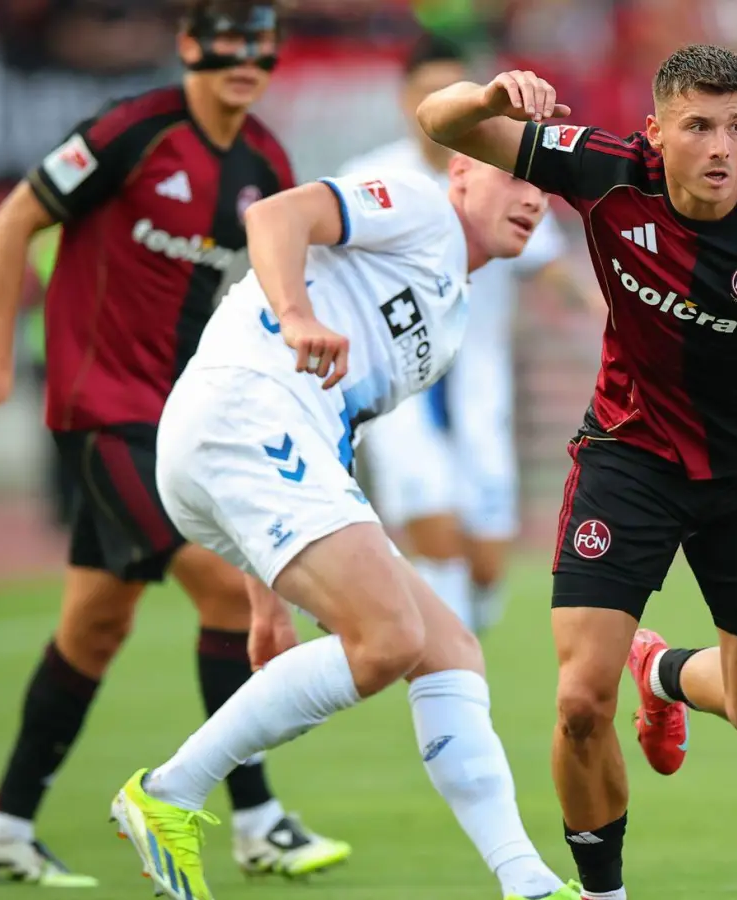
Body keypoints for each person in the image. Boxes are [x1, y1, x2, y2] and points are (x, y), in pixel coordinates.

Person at [417, 44, 737, 900]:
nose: (722, 148)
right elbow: (439, 122)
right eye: (699, 127)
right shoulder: (605, 171)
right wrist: (491, 97)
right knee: (579, 701)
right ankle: (602, 892)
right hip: (630, 452)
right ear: (656, 132)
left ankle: (662, 672)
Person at [110, 157, 580, 900]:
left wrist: (267, 596)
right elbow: (274, 216)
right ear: (460, 171)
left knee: (449, 649)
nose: (533, 199)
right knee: (388, 639)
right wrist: (296, 314)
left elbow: (336, 430)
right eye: (514, 178)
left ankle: (527, 881)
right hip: (244, 411)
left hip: (265, 448)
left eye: (542, 188)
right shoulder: (419, 204)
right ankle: (170, 791)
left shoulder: (449, 321)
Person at [0, 1, 347, 884]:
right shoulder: (130, 131)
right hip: (99, 412)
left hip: (180, 419)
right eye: (225, 40)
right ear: (187, 45)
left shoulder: (266, 165)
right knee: (224, 587)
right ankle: (257, 819)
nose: (243, 58)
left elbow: (277, 290)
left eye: (260, 44)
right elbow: (12, 221)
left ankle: (3, 828)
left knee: (93, 627)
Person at [338, 34, 602, 632]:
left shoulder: (504, 176)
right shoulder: (369, 177)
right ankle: (442, 663)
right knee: (435, 527)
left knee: (485, 561)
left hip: (479, 383)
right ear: (405, 98)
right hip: (400, 384)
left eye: (450, 88)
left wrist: (603, 308)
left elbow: (547, 265)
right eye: (427, 90)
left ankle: (454, 638)